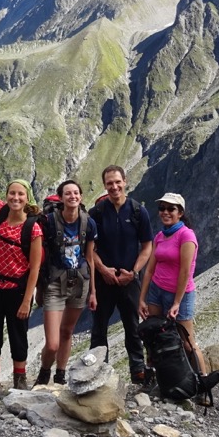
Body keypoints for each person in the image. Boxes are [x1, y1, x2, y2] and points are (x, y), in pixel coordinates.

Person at [88, 165, 154, 385]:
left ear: (125, 181)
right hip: (104, 280)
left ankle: (138, 371)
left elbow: (147, 246)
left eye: (117, 182)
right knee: (99, 329)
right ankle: (98, 371)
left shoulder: (137, 211)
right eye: (109, 183)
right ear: (104, 186)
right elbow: (89, 249)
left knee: (133, 328)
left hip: (129, 280)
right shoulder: (96, 213)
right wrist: (102, 269)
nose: (114, 187)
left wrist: (133, 272)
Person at [35, 179, 97, 386]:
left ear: (81, 197)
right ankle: (44, 372)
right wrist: (38, 288)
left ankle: (60, 375)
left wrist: (93, 291)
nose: (73, 197)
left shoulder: (88, 223)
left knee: (67, 331)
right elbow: (40, 256)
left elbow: (90, 258)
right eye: (68, 194)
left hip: (80, 282)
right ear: (61, 198)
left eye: (76, 193)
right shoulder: (49, 222)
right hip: (54, 282)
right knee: (52, 343)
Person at [0, 179, 43, 399]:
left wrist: (27, 300)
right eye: (11, 193)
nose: (15, 198)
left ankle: (20, 380)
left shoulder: (33, 228)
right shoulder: (0, 212)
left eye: (20, 194)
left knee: (18, 336)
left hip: (17, 290)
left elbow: (35, 268)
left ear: (27, 198)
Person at [138, 192, 207, 376]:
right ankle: (160, 378)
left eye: (170, 209)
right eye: (162, 208)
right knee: (155, 336)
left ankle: (203, 383)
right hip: (156, 292)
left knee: (187, 341)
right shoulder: (160, 235)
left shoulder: (186, 236)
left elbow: (186, 272)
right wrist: (142, 298)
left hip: (180, 295)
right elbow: (150, 269)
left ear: (180, 212)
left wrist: (176, 302)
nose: (165, 212)